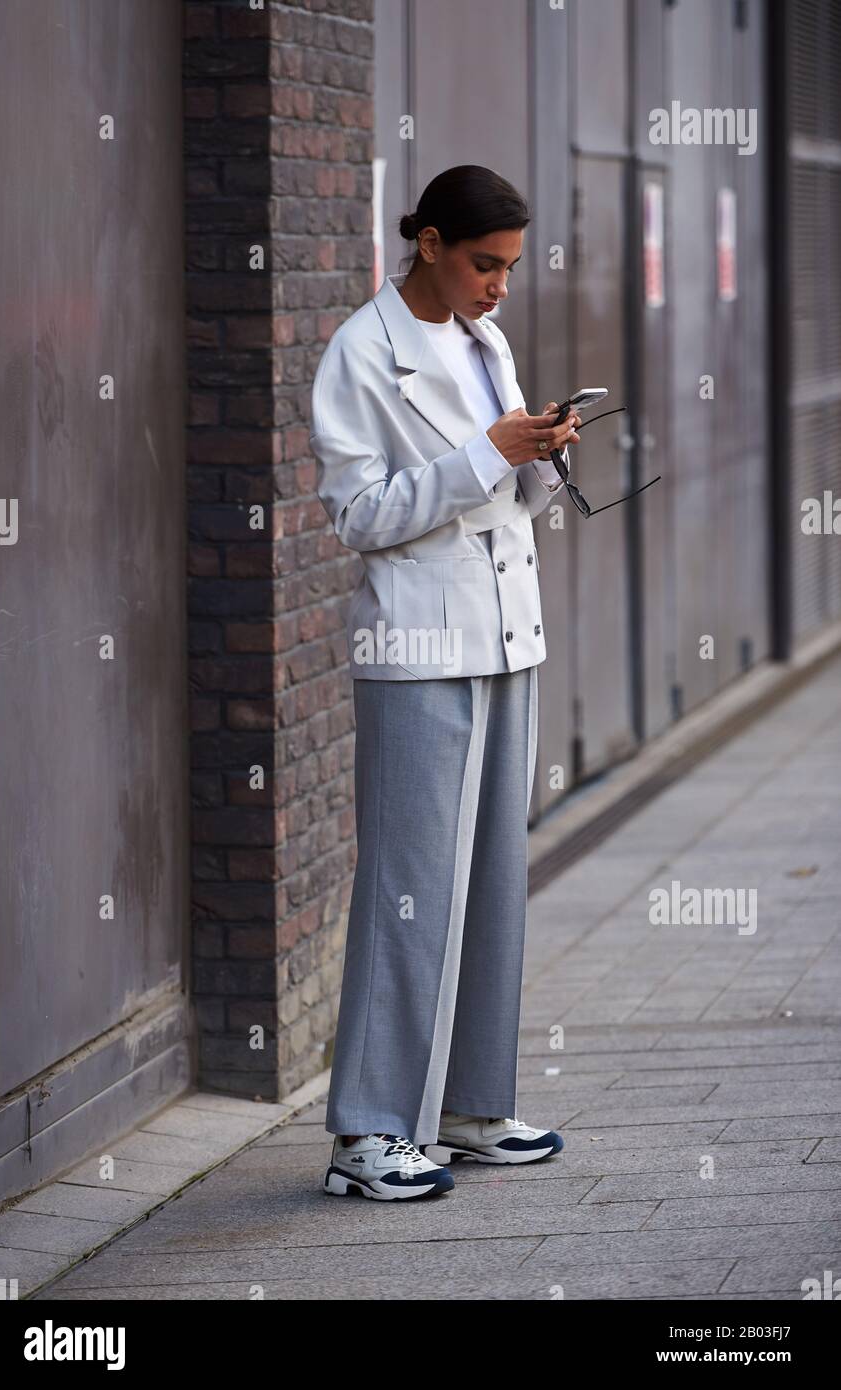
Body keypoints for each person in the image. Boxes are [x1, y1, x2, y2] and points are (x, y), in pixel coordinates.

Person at [310, 165, 581, 1200]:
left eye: (509, 267)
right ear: (428, 243)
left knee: (492, 887)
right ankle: (367, 1136)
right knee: (407, 892)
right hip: (417, 651)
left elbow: (505, 490)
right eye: (484, 264)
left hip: (508, 638)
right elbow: (359, 516)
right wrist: (483, 455)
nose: (499, 285)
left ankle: (469, 1108)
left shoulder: (486, 343)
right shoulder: (359, 354)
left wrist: (541, 454)